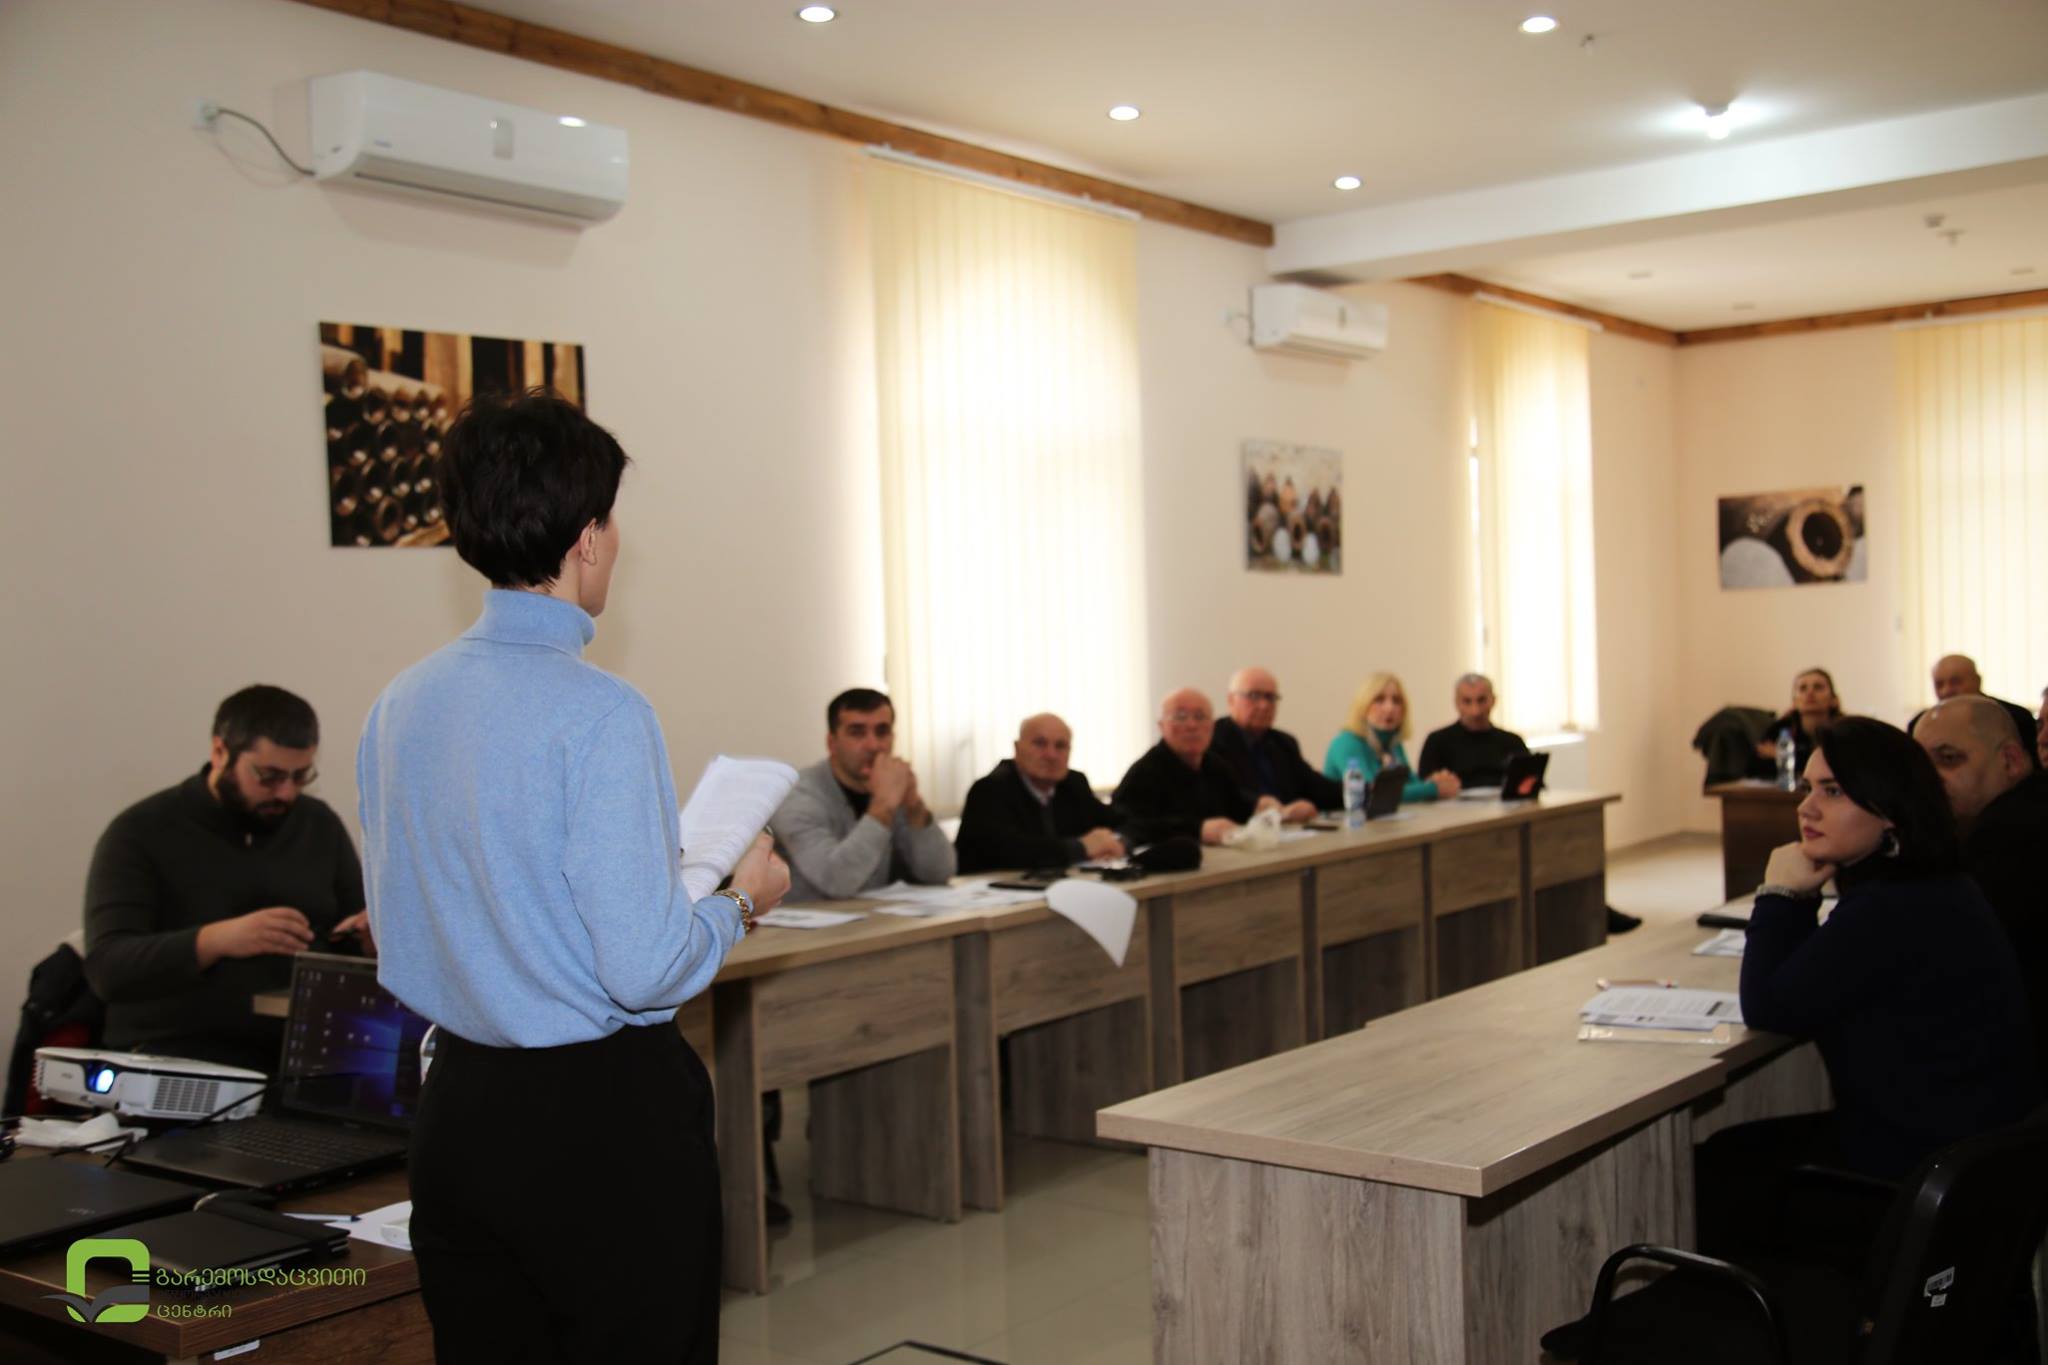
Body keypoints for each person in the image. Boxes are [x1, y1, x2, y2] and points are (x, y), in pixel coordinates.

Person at [358, 390, 789, 1363]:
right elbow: (641, 970)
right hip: (599, 1121)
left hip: (458, 1110)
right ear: (588, 537)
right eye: (613, 521)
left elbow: (404, 924)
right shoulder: (602, 712)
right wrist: (737, 903)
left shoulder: (400, 703)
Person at [1695, 717, 2038, 1254]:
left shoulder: (1889, 909)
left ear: (1890, 810)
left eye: (1833, 791)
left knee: (1715, 1163)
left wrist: (1781, 892)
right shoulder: (1938, 884)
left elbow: (1767, 1006)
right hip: (1973, 1165)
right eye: (1807, 788)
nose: (1807, 807)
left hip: (1909, 1176)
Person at [82, 685, 367, 1073]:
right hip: (176, 1055)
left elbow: (349, 926)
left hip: (302, 1056)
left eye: (301, 776)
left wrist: (365, 938)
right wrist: (217, 940)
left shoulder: (318, 825)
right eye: (268, 776)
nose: (286, 793)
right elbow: (108, 969)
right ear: (220, 752)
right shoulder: (141, 832)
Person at [1916, 696, 2048, 1083]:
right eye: (1919, 766)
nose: (1928, 780)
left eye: (1948, 759)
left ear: (2010, 760)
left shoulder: (2011, 834)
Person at [773, 688, 957, 902]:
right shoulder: (796, 794)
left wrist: (914, 806)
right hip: (808, 921)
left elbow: (940, 872)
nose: (873, 745)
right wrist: (883, 806)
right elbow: (836, 880)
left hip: (875, 917)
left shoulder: (891, 786)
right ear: (832, 743)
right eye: (857, 733)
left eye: (882, 732)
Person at [955, 713, 1142, 873]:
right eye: (1039, 743)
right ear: (1017, 749)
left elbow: (1128, 821)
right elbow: (1007, 851)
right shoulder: (990, 790)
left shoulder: (1073, 784)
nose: (1051, 755)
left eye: (1060, 746)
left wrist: (1119, 842)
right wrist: (1081, 847)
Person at [1114, 688, 1270, 845]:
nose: (1191, 725)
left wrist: (1261, 808)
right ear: (1162, 726)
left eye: (1200, 717)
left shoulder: (1216, 766)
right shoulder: (1144, 772)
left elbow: (1238, 808)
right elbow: (1127, 824)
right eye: (1180, 717)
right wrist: (1198, 830)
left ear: (1212, 727)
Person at [1208, 667, 1340, 820]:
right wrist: (1267, 808)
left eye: (1270, 697)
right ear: (1231, 700)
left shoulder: (1283, 742)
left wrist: (1357, 791)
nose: (1264, 705)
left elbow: (1317, 788)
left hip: (1290, 831)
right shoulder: (1212, 739)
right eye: (1254, 696)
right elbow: (1220, 792)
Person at [1322, 673, 1461, 804]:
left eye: (1396, 701)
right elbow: (1372, 793)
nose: (1389, 708)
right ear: (1363, 706)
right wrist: (1432, 788)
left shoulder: (1393, 743)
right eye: (1379, 700)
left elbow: (1411, 783)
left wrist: (1436, 782)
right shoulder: (1347, 742)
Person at [1908, 654, 2040, 771]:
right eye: (1939, 684)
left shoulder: (2015, 717)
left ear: (1977, 681)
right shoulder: (1920, 723)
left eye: (1955, 682)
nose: (1946, 690)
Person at [1415, 673, 1530, 788]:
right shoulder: (1437, 742)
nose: (1475, 711)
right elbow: (1425, 786)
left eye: (1481, 700)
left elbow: (1530, 783)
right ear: (1457, 703)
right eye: (1467, 701)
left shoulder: (1513, 742)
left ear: (1493, 700)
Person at [1754, 666, 1841, 774]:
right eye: (1802, 688)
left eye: (1818, 687)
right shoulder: (1782, 728)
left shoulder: (1843, 730)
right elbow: (1755, 766)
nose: (1810, 693)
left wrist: (1782, 755)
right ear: (1794, 702)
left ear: (1834, 700)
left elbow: (1838, 765)